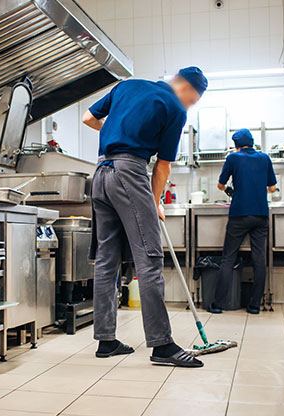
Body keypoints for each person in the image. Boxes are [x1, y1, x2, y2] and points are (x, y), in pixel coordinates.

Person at [82, 67, 207, 368]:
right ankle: (162, 345)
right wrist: (155, 203)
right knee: (149, 258)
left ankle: (106, 340)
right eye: (195, 99)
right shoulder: (175, 108)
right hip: (129, 172)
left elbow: (88, 118)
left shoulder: (127, 86)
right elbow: (161, 167)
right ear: (189, 90)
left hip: (100, 173)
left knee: (106, 261)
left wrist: (117, 132)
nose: (190, 104)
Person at [211, 128, 277, 315]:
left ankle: (218, 305)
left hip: (239, 214)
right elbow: (272, 188)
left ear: (237, 145)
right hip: (260, 215)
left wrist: (232, 189)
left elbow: (220, 185)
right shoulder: (264, 158)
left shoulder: (233, 158)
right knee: (259, 259)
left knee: (228, 258)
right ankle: (255, 306)